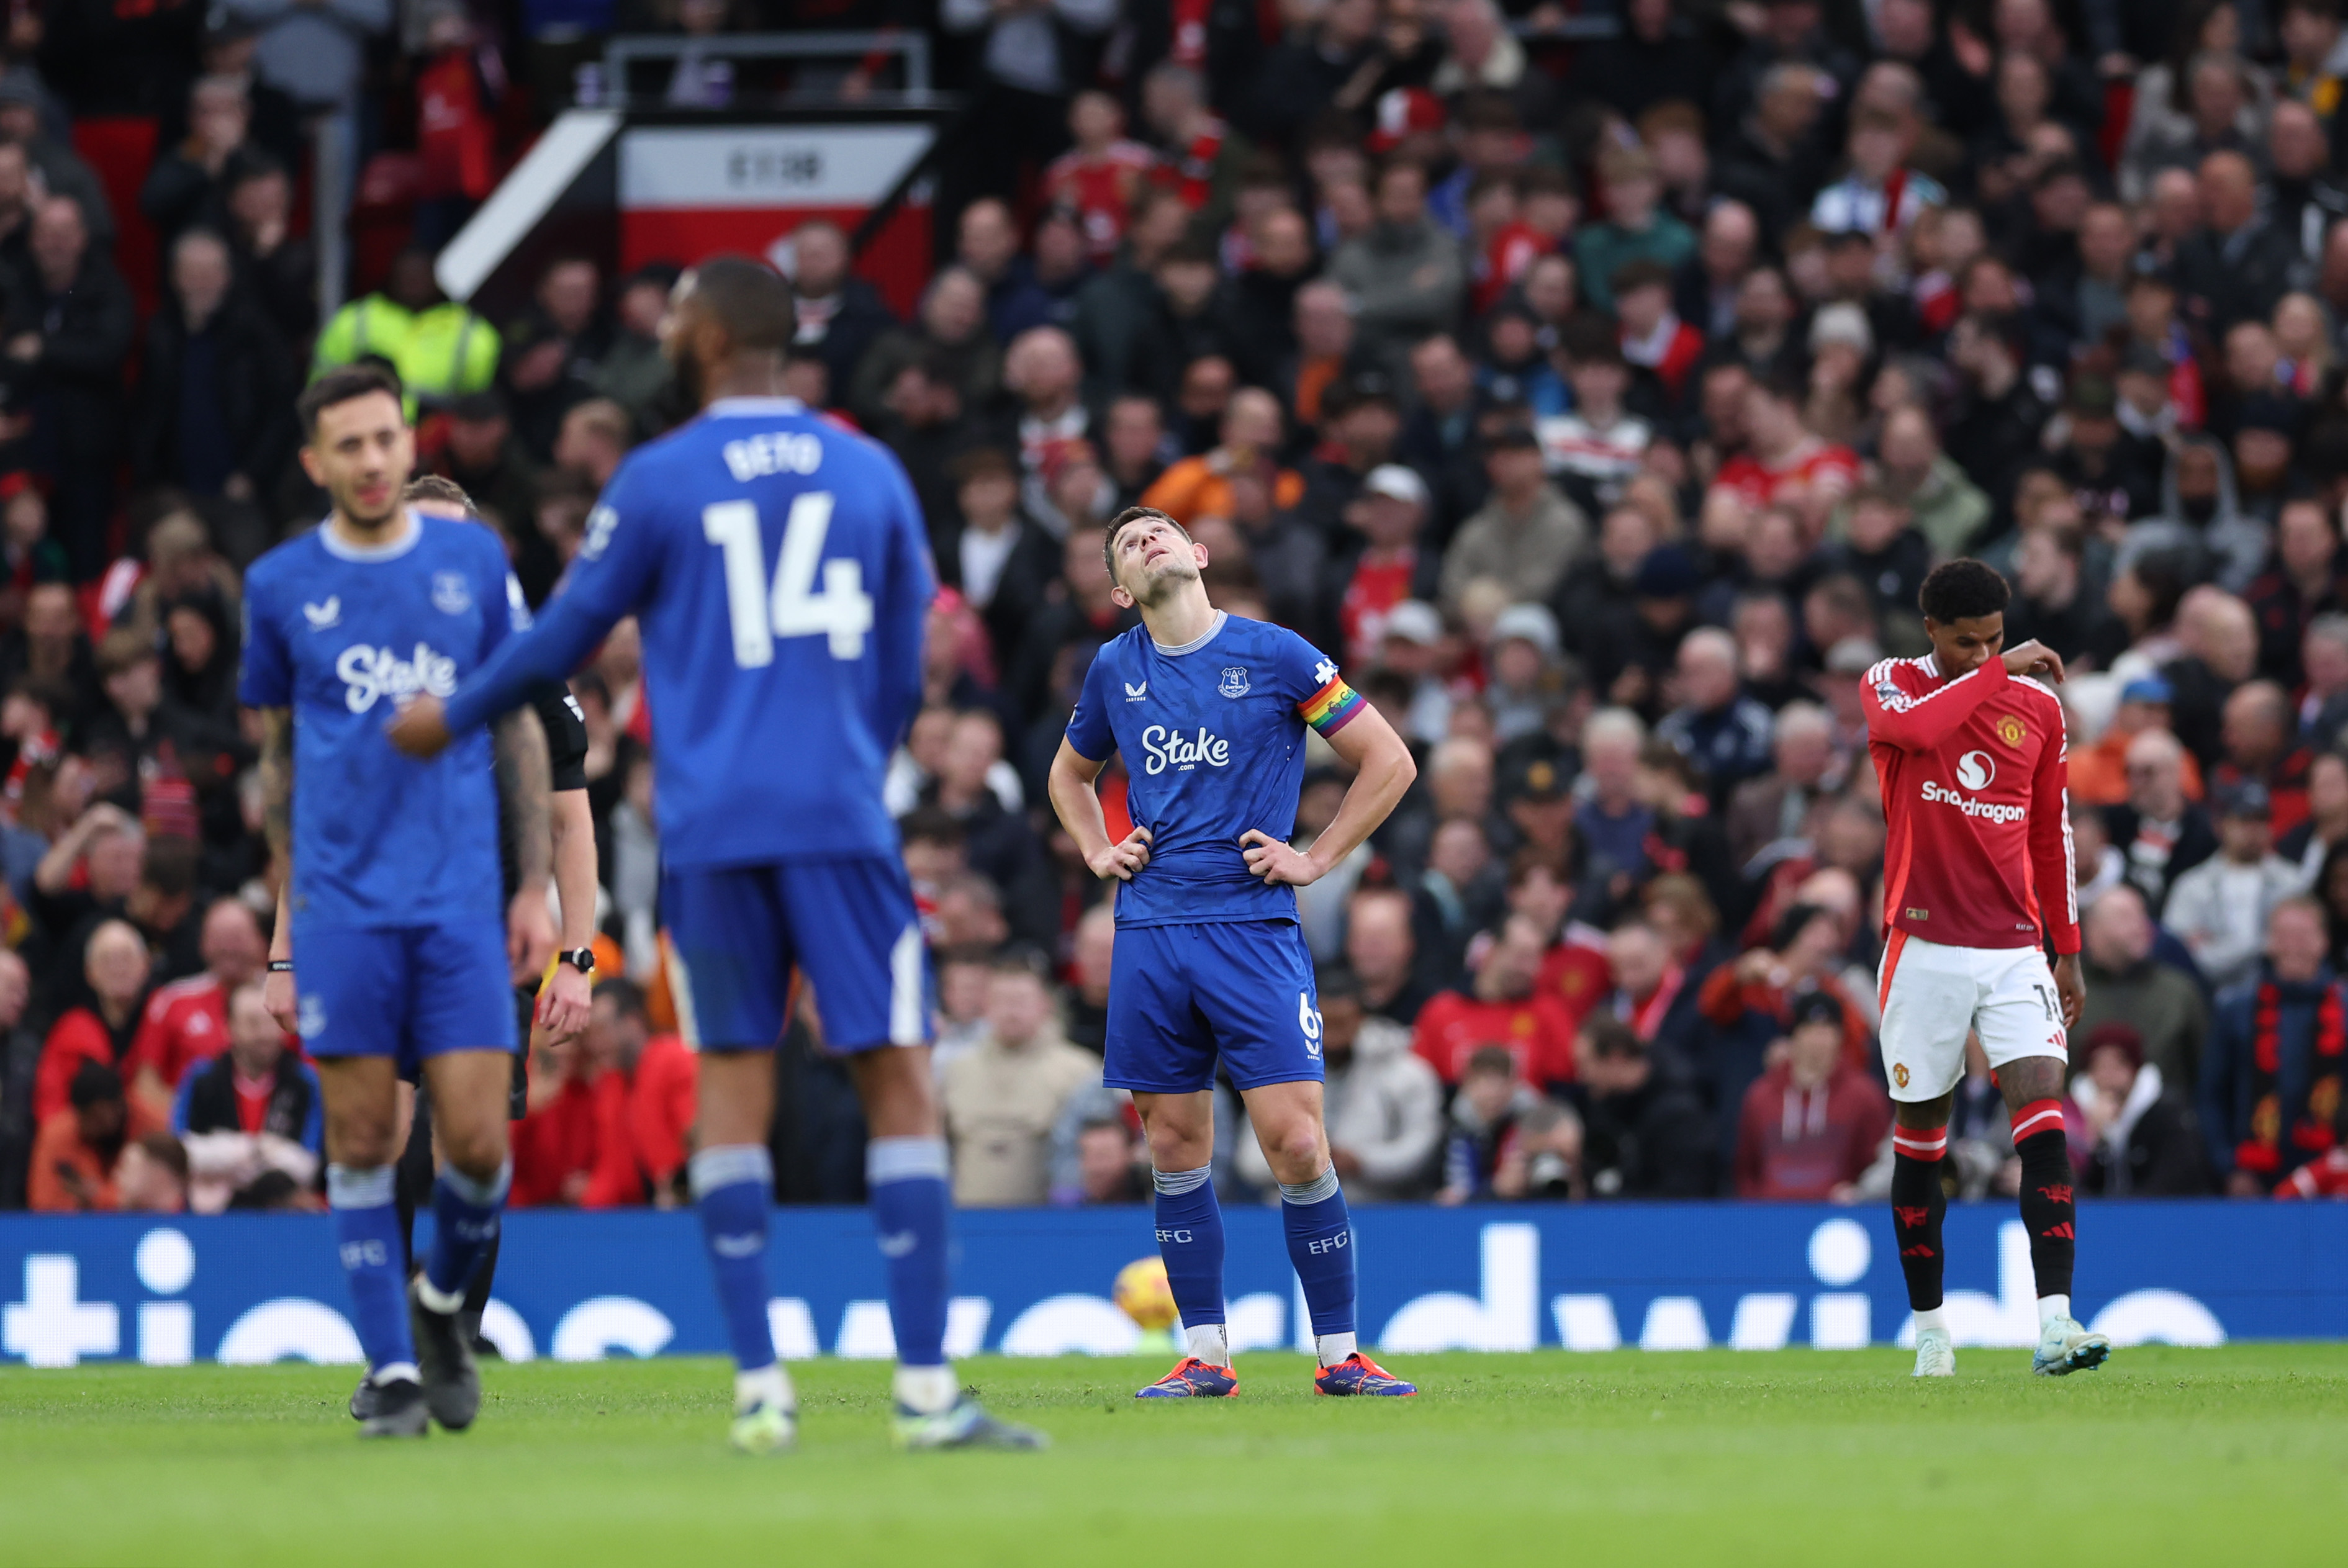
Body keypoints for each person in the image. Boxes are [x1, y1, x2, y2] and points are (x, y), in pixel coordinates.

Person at [389, 257, 1041, 1454]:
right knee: (894, 1073)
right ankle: (926, 1394)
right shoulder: (868, 468)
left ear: (697, 338)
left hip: (712, 830)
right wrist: (852, 748)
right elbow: (910, 659)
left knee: (731, 1087)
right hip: (838, 821)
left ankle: (759, 1394)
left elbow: (565, 642)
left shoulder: (656, 479)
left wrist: (447, 712)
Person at [1042, 502, 1419, 1400]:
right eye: (1126, 542)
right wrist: (1100, 848)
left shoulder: (1279, 653)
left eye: (1161, 528)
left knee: (1292, 1139)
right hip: (1151, 932)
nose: (1145, 537)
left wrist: (1317, 857)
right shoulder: (1112, 670)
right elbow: (1068, 773)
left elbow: (1390, 760)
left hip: (1251, 930)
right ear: (1119, 589)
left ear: (1199, 553)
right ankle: (1206, 1354)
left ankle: (1340, 1356)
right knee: (1173, 1143)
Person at [240, 364, 543, 1439]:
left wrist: (537, 887)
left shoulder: (473, 562)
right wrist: (284, 935)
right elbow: (280, 765)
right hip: (344, 910)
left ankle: (441, 1309)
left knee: (476, 1146)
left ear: (404, 440)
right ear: (317, 461)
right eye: (350, 445)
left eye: (386, 438)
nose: (372, 460)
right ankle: (394, 1376)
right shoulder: (279, 585)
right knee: (365, 1137)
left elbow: (517, 726)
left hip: (461, 898)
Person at [1862, 559, 2108, 1380]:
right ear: (1929, 631)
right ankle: (1931, 1331)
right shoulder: (1890, 683)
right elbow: (1922, 734)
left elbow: (2051, 832)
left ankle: (2056, 1325)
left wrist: (2064, 946)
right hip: (1923, 947)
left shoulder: (2037, 709)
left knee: (2041, 1118)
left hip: (2011, 949)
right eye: (1965, 642)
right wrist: (1998, 668)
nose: (1981, 655)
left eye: (1994, 640)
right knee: (1920, 1143)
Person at [939, 948, 1100, 1206]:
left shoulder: (1080, 1072)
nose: (1011, 1012)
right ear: (986, 1006)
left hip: (1047, 1227)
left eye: (1021, 1001)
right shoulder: (955, 1070)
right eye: (1002, 1001)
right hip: (967, 1221)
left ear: (1044, 1004)